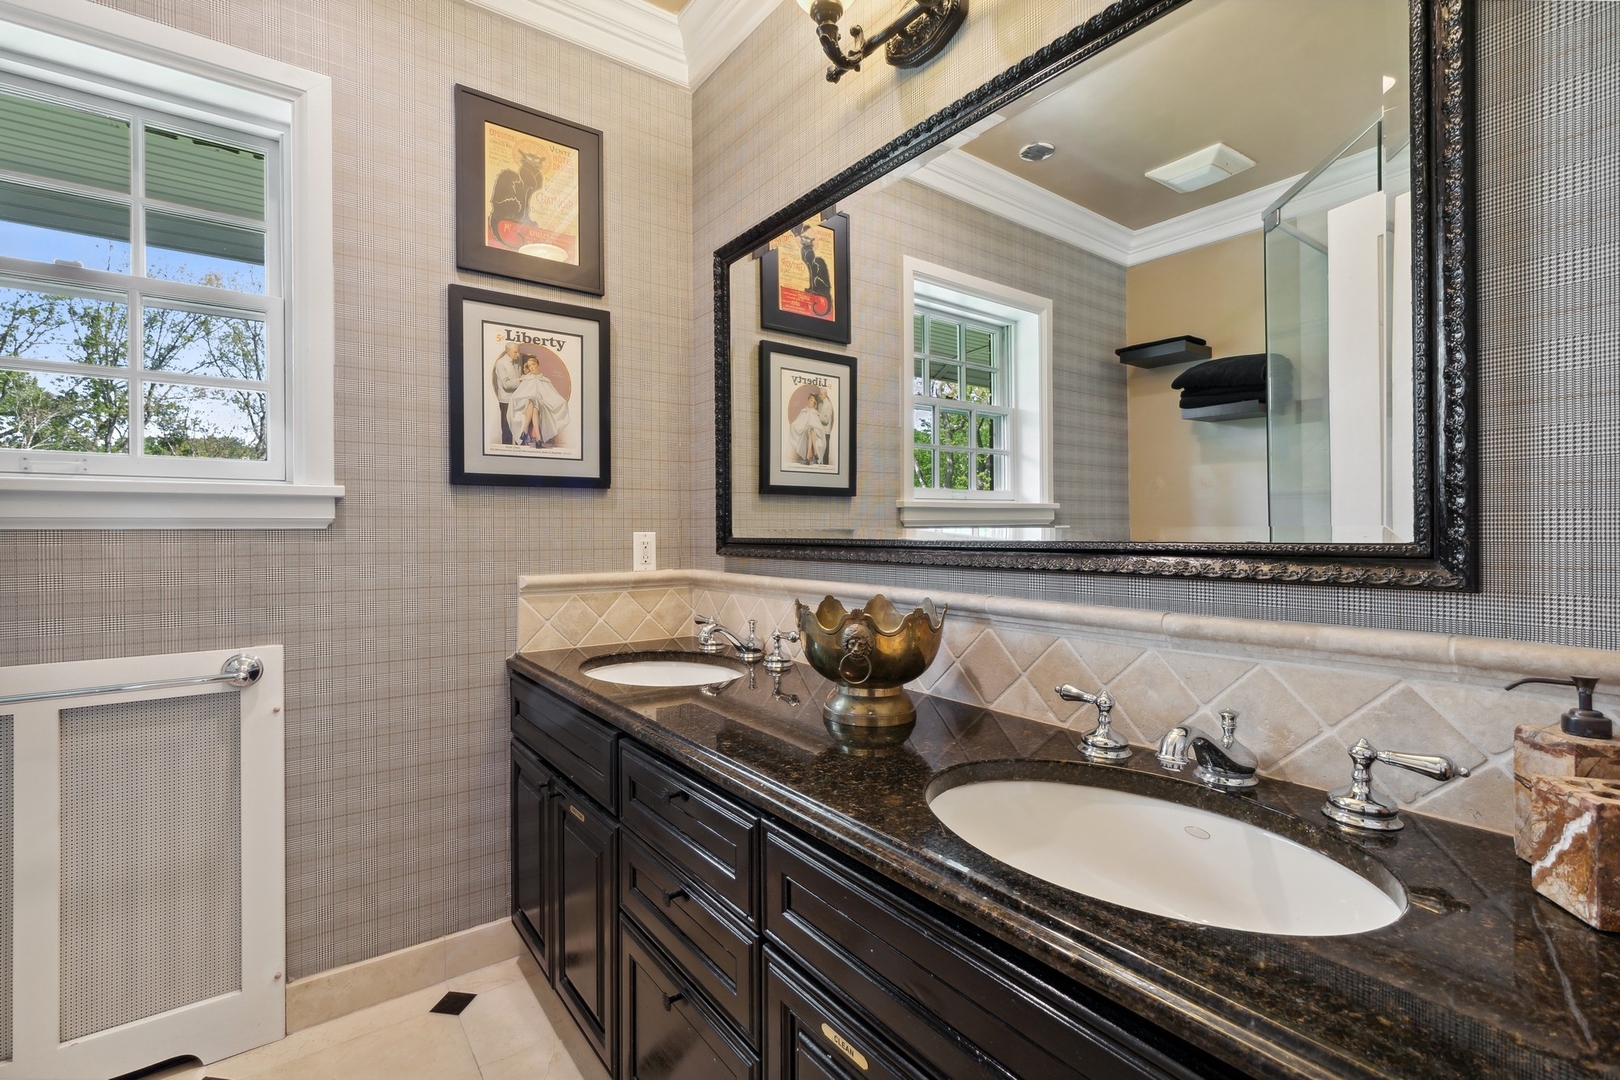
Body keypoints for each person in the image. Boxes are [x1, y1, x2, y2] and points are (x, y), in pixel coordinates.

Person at [509, 353, 571, 449]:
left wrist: (562, 402)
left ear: (538, 365)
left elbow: (552, 396)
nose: (531, 367)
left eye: (533, 365)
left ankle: (525, 431)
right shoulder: (527, 379)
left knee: (535, 402)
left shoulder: (545, 380)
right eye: (529, 366)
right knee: (532, 400)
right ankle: (538, 438)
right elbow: (518, 395)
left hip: (543, 408)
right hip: (526, 406)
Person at [490, 341, 523, 444]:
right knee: (507, 430)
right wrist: (521, 381)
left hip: (517, 399)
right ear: (507, 351)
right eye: (515, 352)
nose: (517, 355)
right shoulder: (500, 363)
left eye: (517, 352)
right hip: (506, 400)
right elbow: (506, 385)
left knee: (518, 427)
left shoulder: (517, 360)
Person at [788, 387, 828, 465]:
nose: (811, 402)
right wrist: (794, 425)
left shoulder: (815, 413)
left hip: (816, 433)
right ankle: (815, 453)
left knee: (812, 429)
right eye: (810, 400)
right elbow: (798, 423)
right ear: (808, 401)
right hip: (804, 432)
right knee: (810, 429)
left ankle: (807, 457)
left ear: (814, 404)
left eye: (813, 401)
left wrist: (814, 428)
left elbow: (819, 426)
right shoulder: (803, 411)